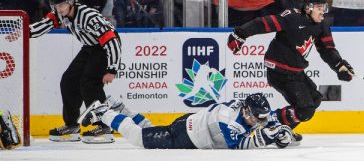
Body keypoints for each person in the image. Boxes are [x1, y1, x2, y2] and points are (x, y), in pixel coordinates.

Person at [226, 0, 355, 135]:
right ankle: (271, 128)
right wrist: (240, 33)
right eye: (319, 7)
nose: (323, 11)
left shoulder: (322, 25)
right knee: (305, 110)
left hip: (296, 72)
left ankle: (282, 130)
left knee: (314, 99)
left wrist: (340, 66)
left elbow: (327, 49)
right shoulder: (292, 17)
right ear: (308, 8)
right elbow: (263, 23)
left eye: (324, 7)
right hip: (279, 72)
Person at [29, 0, 122, 143]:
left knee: (89, 83)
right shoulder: (62, 13)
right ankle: (72, 125)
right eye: (55, 5)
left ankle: (104, 126)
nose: (58, 8)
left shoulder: (89, 17)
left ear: (71, 2)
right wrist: (23, 32)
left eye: (61, 4)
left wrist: (112, 69)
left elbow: (112, 40)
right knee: (68, 81)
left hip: (102, 49)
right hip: (89, 47)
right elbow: (43, 26)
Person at [78, 93, 296, 149]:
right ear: (247, 110)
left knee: (150, 130)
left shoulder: (245, 109)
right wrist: (267, 137)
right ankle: (103, 111)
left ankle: (119, 107)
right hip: (185, 136)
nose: (258, 122)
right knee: (139, 138)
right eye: (255, 118)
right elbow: (238, 145)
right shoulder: (227, 120)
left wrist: (280, 131)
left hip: (188, 124)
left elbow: (268, 120)